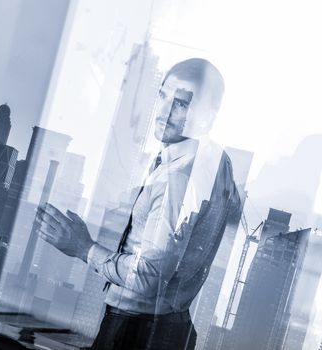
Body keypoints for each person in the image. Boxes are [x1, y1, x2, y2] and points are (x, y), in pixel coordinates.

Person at [37, 58, 240, 349]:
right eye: (163, 95)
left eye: (181, 104)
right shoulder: (216, 163)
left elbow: (149, 278)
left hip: (134, 330)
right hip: (169, 324)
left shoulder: (177, 179)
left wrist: (83, 247)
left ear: (206, 117)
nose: (164, 112)